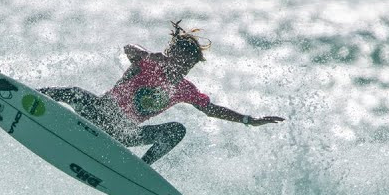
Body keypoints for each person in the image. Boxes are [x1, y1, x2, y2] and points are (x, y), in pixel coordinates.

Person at [38, 21, 284, 165]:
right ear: (170, 54)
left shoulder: (184, 89)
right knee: (75, 93)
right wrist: (145, 54)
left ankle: (140, 168)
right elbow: (129, 49)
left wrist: (248, 120)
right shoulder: (149, 63)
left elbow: (210, 110)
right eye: (181, 61)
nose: (183, 68)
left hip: (124, 134)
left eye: (189, 65)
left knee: (177, 130)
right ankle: (28, 94)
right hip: (98, 114)